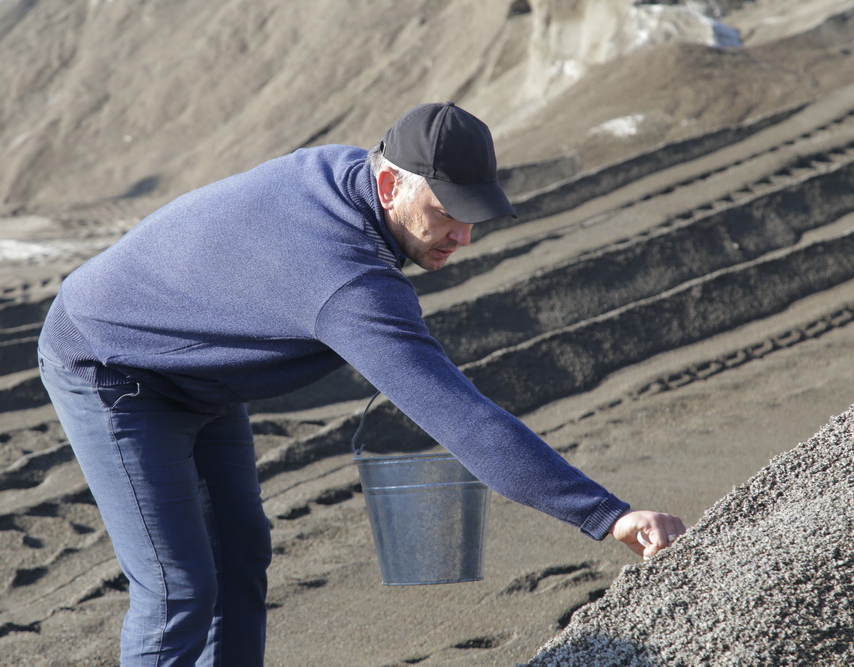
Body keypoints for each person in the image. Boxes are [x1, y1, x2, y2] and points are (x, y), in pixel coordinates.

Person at [37, 102, 685, 666]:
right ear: (388, 182)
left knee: (239, 555)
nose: (461, 235)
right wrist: (607, 515)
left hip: (191, 368)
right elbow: (466, 421)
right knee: (178, 585)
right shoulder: (347, 283)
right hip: (108, 361)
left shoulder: (347, 176)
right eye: (445, 212)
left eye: (473, 216)